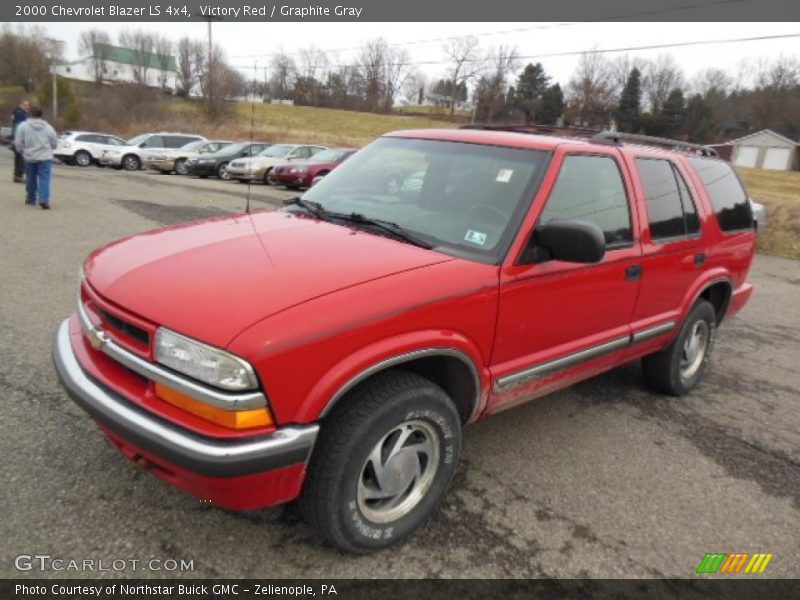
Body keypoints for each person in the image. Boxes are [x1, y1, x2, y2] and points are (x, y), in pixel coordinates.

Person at [13, 106, 58, 209]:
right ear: (41, 115)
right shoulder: (48, 127)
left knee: (31, 178)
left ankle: (31, 198)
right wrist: (51, 148)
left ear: (30, 114)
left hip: (29, 156)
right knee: (45, 178)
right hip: (45, 156)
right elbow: (54, 142)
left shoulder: (23, 126)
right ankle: (44, 199)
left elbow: (18, 142)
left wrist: (20, 150)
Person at [10, 100, 30, 183]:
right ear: (20, 105)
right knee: (21, 158)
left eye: (28, 105)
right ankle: (20, 176)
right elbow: (20, 127)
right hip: (20, 139)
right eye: (25, 105)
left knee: (18, 158)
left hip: (16, 138)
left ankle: (17, 176)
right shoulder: (21, 114)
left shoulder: (16, 112)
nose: (27, 107)